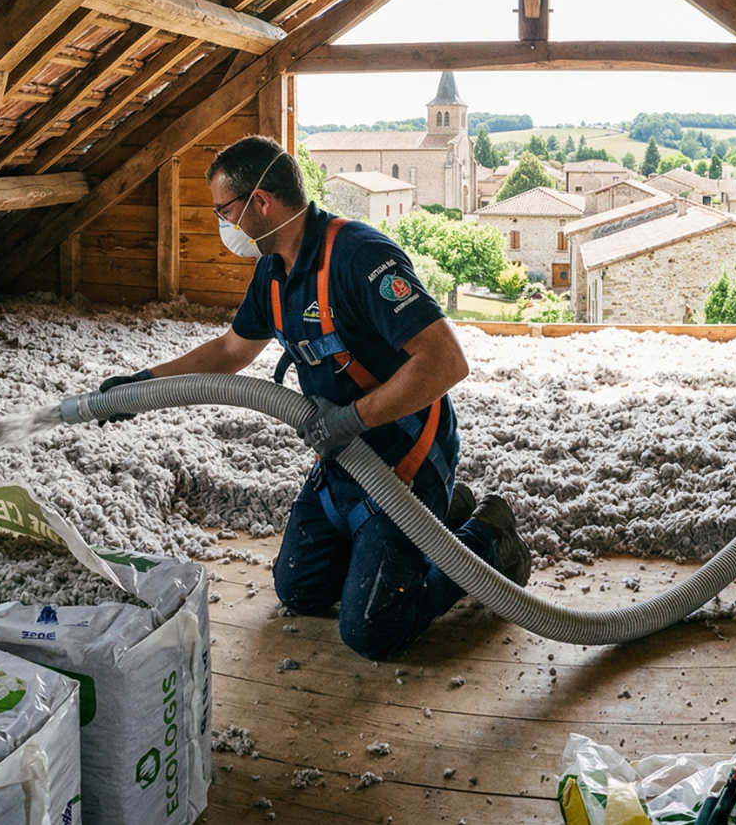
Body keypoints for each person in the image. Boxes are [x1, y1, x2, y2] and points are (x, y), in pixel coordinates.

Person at [98, 135, 530, 660]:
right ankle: (444, 517)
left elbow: (445, 362)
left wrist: (354, 417)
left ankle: (485, 532)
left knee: (371, 630)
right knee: (299, 591)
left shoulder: (359, 256)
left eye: (224, 210)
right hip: (343, 458)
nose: (223, 225)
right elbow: (231, 351)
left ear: (261, 202)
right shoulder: (273, 272)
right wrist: (143, 385)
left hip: (404, 458)